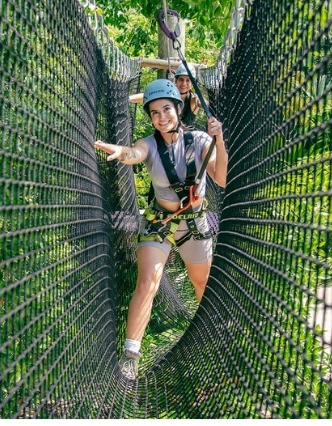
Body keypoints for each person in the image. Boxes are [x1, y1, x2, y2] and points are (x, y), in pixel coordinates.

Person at [92, 79, 229, 378]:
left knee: (202, 283)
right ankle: (131, 356)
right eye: (154, 112)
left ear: (178, 109)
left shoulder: (201, 141)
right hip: (159, 221)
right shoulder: (149, 144)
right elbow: (135, 153)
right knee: (148, 282)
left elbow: (220, 178)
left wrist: (219, 140)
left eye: (166, 109)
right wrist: (121, 152)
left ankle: (214, 341)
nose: (161, 116)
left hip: (194, 221)